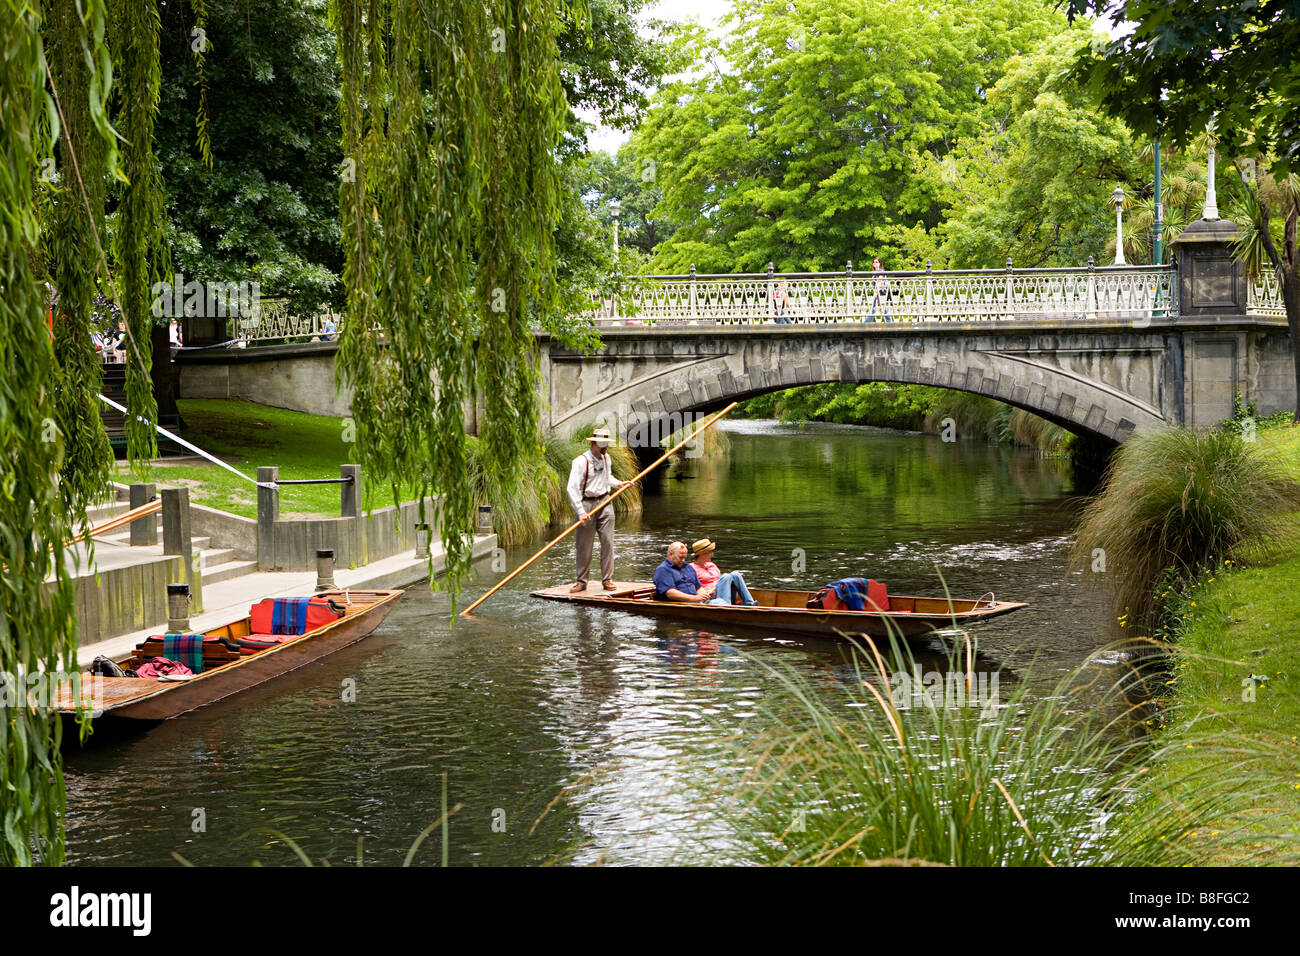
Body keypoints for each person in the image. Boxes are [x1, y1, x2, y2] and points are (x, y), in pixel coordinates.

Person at [566, 427, 628, 592]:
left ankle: (607, 580)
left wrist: (619, 484)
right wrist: (580, 511)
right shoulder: (580, 462)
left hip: (605, 502)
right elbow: (572, 488)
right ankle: (581, 581)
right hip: (587, 504)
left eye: (606, 443)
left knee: (608, 543)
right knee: (584, 546)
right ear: (594, 442)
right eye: (602, 442)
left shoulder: (606, 458)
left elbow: (607, 478)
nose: (605, 446)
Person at [689, 538, 758, 606]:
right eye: (710, 552)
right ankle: (726, 606)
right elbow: (690, 587)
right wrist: (705, 592)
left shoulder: (712, 565)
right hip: (710, 599)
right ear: (703, 554)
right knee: (726, 576)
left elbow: (721, 582)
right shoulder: (691, 568)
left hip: (722, 594)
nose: (712, 555)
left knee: (735, 574)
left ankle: (749, 603)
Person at [868, 257, 891, 322]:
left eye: (876, 262)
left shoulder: (880, 271)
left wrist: (876, 292)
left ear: (880, 264)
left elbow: (880, 282)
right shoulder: (874, 272)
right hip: (878, 291)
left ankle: (889, 321)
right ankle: (868, 321)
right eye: (874, 262)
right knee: (875, 307)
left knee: (881, 307)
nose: (874, 263)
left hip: (880, 291)